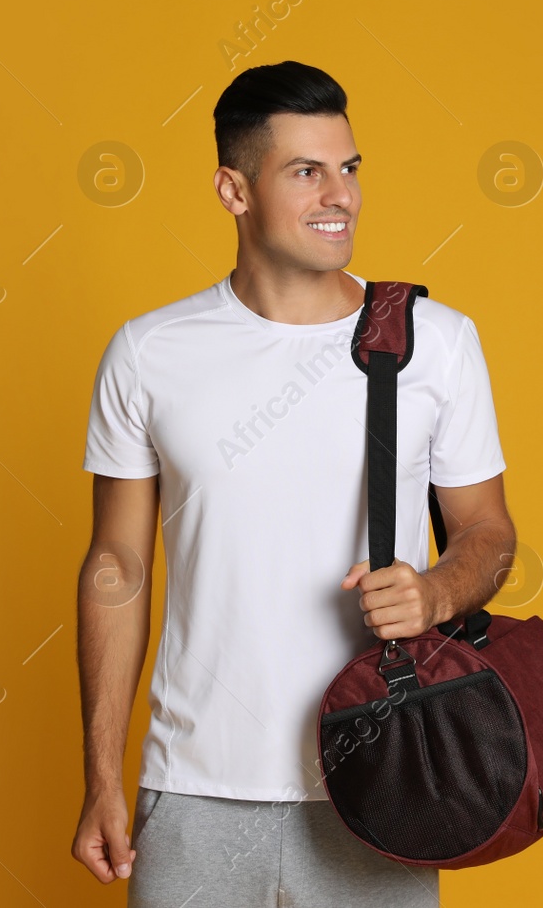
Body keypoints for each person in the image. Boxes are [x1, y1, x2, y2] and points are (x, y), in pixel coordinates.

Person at [71, 60, 515, 907]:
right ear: (233, 190)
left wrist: (433, 591)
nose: (338, 195)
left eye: (348, 169)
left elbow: (489, 535)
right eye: (306, 171)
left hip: (379, 779)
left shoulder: (435, 343)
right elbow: (117, 567)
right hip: (194, 791)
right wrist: (102, 774)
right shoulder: (150, 352)